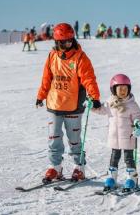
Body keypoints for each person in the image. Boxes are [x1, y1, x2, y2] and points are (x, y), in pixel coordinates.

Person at [36, 22, 101, 183]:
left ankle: (79, 167)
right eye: (64, 41)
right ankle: (55, 168)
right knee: (54, 138)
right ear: (57, 42)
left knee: (74, 139)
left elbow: (88, 78)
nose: (68, 44)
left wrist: (95, 97)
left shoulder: (80, 57)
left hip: (74, 106)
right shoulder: (52, 56)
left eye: (70, 40)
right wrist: (41, 95)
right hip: (54, 104)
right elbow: (46, 78)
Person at [92, 74, 140, 192]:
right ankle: (112, 178)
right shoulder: (110, 102)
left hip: (128, 137)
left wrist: (138, 125)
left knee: (128, 158)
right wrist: (92, 106)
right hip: (114, 137)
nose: (122, 91)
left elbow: (139, 117)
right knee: (114, 157)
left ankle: (132, 179)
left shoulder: (132, 104)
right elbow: (101, 109)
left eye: (125, 89)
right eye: (120, 89)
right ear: (113, 89)